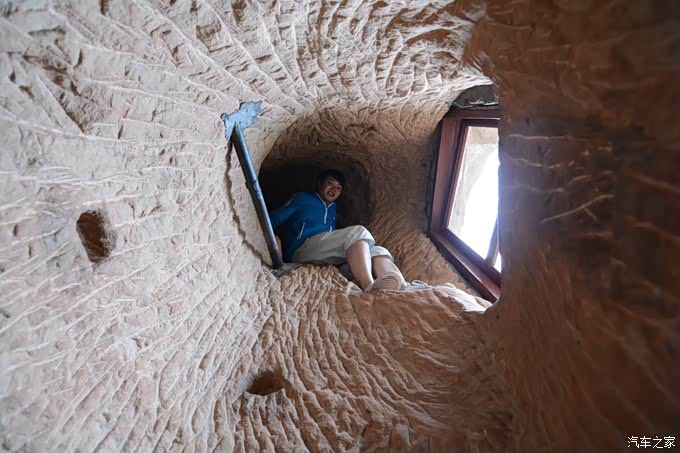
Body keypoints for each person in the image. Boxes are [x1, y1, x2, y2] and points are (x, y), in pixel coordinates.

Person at [268, 169, 406, 292]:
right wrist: (276, 245)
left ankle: (402, 288)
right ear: (320, 183)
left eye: (338, 188)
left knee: (377, 250)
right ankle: (369, 285)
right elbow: (272, 219)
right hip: (303, 250)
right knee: (357, 232)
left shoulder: (333, 209)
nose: (334, 189)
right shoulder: (302, 199)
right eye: (330, 183)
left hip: (327, 260)